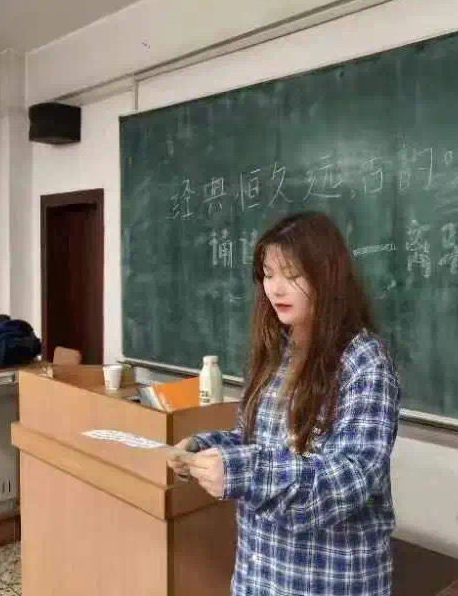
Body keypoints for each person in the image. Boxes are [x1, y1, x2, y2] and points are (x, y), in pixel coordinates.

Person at [169, 211, 401, 596]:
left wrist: (244, 473)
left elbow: (352, 478)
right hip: (259, 575)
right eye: (267, 274)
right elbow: (253, 441)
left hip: (325, 582)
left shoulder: (363, 360)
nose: (275, 289)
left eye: (291, 275)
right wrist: (203, 447)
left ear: (326, 276)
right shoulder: (276, 351)